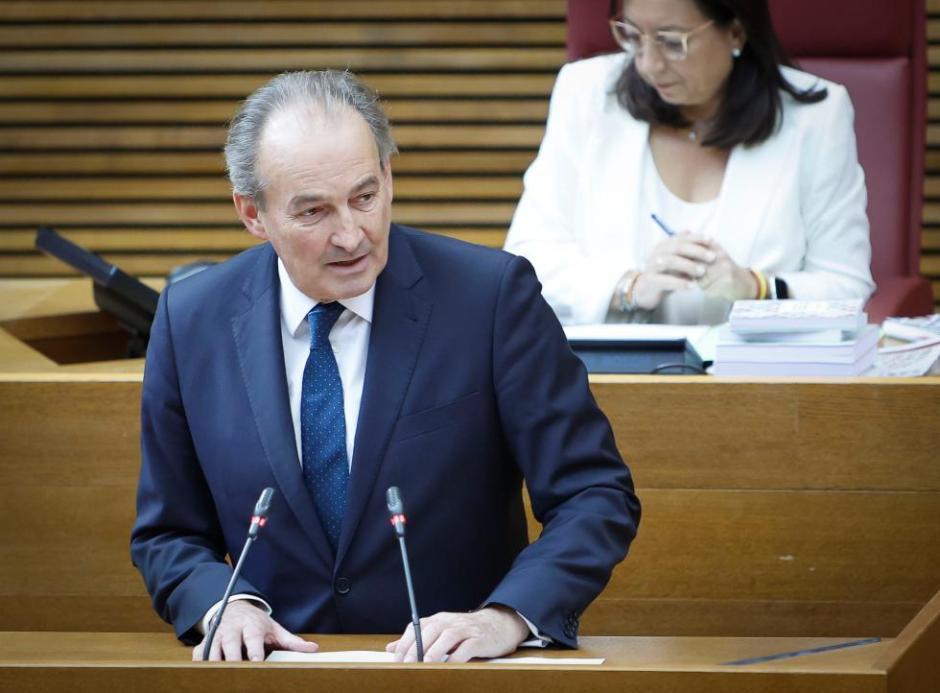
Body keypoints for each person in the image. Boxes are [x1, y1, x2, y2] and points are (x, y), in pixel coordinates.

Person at [130, 69, 640, 663]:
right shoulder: (193, 319)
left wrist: (505, 617)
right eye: (313, 211)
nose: (352, 234)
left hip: (455, 674)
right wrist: (222, 604)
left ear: (389, 177)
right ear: (252, 213)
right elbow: (168, 532)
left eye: (365, 196)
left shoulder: (490, 299)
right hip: (274, 674)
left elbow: (594, 493)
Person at [504, 0, 875, 325]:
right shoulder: (587, 92)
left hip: (762, 384)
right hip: (608, 379)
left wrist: (755, 287)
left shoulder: (817, 116)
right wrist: (629, 287)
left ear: (735, 31)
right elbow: (526, 260)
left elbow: (846, 286)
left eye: (671, 41)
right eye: (632, 35)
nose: (649, 64)